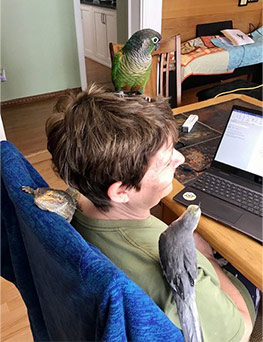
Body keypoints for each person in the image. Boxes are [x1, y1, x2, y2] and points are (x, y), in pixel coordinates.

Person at [46, 83, 255, 342]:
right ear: (121, 191)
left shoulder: (76, 197)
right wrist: (205, 257)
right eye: (167, 160)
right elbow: (241, 330)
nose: (180, 159)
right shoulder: (172, 275)